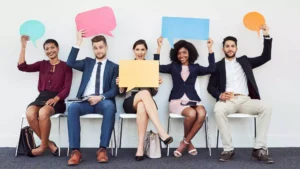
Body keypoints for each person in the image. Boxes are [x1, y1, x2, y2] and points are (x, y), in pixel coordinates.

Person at [207, 24, 274, 164]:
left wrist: (266, 35)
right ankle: (228, 149)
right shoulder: (218, 65)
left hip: (245, 100)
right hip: (228, 101)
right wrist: (220, 95)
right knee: (218, 109)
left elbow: (266, 57)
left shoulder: (245, 61)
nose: (230, 48)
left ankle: (258, 148)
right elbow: (210, 87)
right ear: (223, 49)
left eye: (232, 46)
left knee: (266, 107)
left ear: (236, 48)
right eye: (227, 46)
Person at [154, 37, 215, 157]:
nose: (181, 55)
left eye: (184, 52)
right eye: (179, 53)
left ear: (190, 53)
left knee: (201, 113)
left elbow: (212, 68)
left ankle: (185, 141)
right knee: (191, 114)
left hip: (193, 100)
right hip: (177, 100)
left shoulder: (195, 67)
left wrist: (210, 48)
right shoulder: (173, 67)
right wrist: (159, 47)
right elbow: (156, 67)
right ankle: (188, 143)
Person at [66, 30, 118, 166]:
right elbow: (70, 63)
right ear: (93, 49)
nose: (98, 50)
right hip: (85, 101)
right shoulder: (87, 63)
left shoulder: (114, 67)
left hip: (103, 101)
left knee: (110, 107)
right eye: (95, 48)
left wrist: (100, 97)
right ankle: (75, 151)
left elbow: (114, 90)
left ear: (106, 47)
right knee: (72, 108)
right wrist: (78, 42)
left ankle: (102, 149)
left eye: (101, 47)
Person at [116, 39, 173, 161]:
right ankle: (162, 131)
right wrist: (120, 84)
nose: (140, 52)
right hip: (130, 102)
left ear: (146, 51)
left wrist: (156, 86)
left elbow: (153, 93)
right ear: (133, 51)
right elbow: (122, 91)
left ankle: (140, 148)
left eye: (142, 49)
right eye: (137, 49)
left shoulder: (150, 67)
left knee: (143, 104)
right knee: (144, 93)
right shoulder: (127, 66)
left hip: (146, 103)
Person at [17, 35, 72, 157]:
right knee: (30, 113)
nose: (50, 51)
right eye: (47, 49)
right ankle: (49, 143)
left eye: (52, 47)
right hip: (41, 97)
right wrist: (23, 47)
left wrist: (56, 98)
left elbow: (67, 88)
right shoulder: (42, 64)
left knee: (43, 113)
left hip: (58, 100)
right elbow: (22, 67)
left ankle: (42, 147)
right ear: (45, 51)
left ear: (57, 49)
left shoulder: (66, 66)